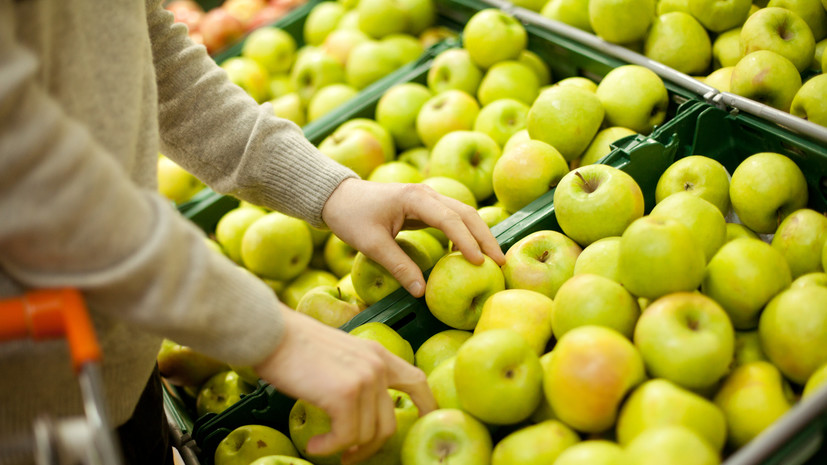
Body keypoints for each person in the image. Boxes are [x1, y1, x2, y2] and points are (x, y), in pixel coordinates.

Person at [0, 1, 505, 464]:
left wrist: (330, 191)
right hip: (27, 409)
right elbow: (29, 185)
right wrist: (272, 337)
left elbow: (150, 53)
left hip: (113, 362)